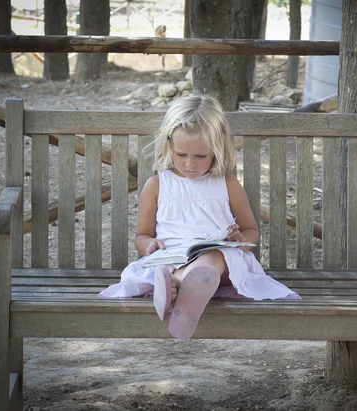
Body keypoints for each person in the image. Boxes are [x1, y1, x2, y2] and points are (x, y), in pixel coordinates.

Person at [99, 94, 300, 339]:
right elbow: (142, 236)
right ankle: (184, 284)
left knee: (213, 256)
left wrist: (238, 240)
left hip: (221, 264)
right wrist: (150, 245)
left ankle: (179, 284)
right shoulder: (157, 185)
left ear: (217, 150)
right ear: (169, 145)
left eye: (200, 156)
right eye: (181, 155)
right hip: (173, 256)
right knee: (167, 263)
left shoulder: (227, 184)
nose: (190, 164)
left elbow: (251, 232)